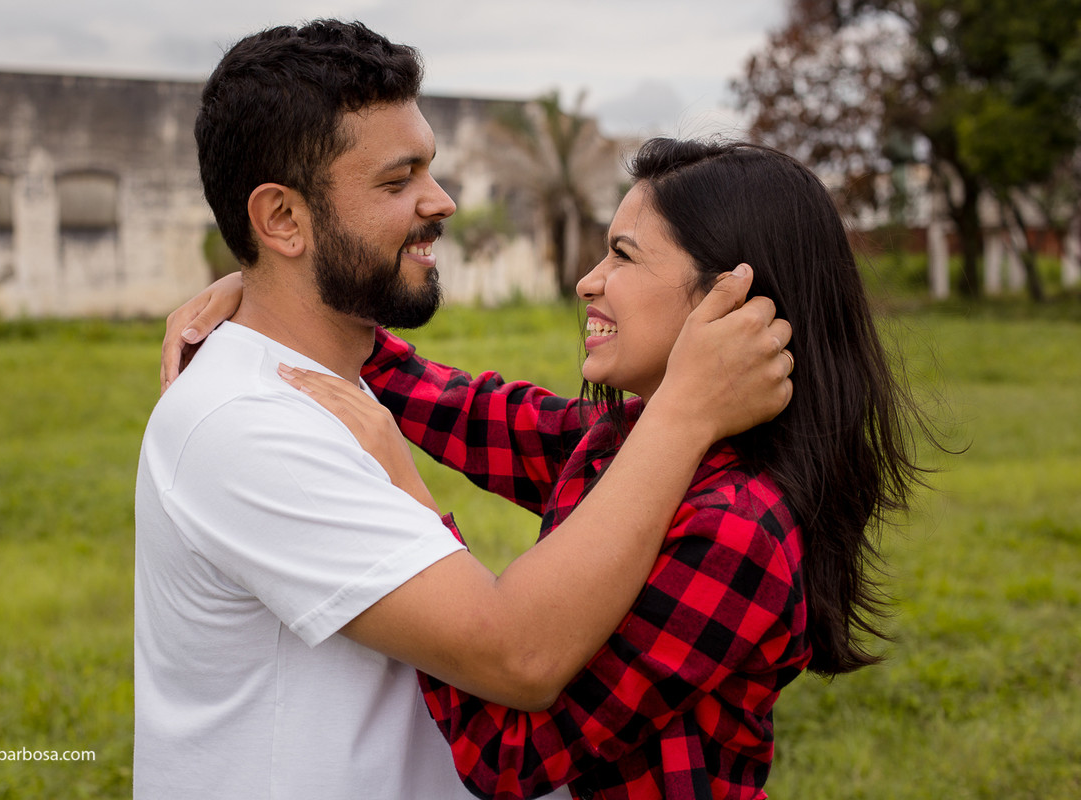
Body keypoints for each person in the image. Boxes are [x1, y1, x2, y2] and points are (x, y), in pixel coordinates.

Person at [137, 20, 793, 800]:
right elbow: (478, 420)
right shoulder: (247, 423)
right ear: (281, 219)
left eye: (621, 256)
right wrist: (258, 292)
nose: (441, 201)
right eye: (397, 179)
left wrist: (684, 406)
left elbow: (515, 674)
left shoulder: (716, 499)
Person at [164, 137, 933, 799]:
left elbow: (507, 750)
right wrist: (281, 288)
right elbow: (468, 410)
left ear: (732, 303)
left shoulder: (738, 530)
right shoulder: (623, 445)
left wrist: (405, 490)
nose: (588, 280)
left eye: (623, 256)